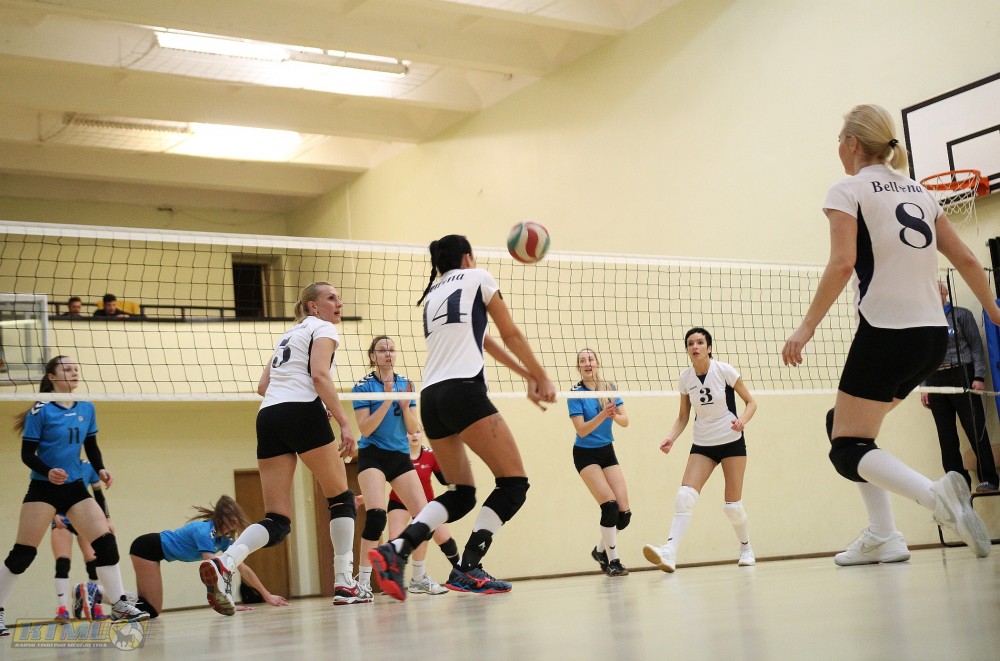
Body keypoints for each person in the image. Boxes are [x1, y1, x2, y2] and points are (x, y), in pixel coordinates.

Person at [782, 104, 996, 565]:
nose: (838, 148)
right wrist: (994, 310)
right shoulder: (920, 192)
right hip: (932, 339)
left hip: (887, 335)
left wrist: (806, 326)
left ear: (852, 143)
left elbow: (842, 263)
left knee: (846, 448)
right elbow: (966, 259)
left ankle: (938, 498)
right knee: (843, 426)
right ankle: (885, 535)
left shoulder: (847, 190)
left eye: (840, 140)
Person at [368, 234, 557, 600]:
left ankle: (396, 550)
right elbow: (510, 333)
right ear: (468, 258)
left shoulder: (433, 294)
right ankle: (468, 567)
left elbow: (485, 340)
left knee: (462, 494)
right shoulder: (478, 277)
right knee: (514, 483)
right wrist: (541, 375)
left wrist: (526, 375)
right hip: (464, 392)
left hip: (431, 398)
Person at [198, 282, 366, 616]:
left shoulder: (287, 336)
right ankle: (345, 583)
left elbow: (264, 386)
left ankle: (227, 561)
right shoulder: (324, 328)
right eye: (331, 297)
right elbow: (319, 376)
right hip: (302, 410)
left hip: (269, 416)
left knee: (277, 519)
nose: (339, 302)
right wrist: (345, 422)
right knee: (341, 499)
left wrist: (314, 404)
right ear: (313, 306)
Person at [0, 355, 148, 637]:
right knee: (22, 555)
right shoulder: (40, 410)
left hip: (75, 487)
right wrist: (48, 471)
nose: (74, 372)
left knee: (105, 542)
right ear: (52, 377)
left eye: (76, 368)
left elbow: (91, 445)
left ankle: (118, 605)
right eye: (67, 369)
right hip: (43, 488)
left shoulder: (87, 407)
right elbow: (27, 454)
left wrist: (100, 468)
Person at [643, 328, 758, 573]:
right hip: (703, 443)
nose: (695, 347)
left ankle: (746, 547)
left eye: (700, 342)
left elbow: (751, 402)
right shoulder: (686, 379)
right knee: (684, 496)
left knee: (732, 507)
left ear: (709, 347)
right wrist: (671, 438)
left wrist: (743, 420)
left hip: (731, 440)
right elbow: (683, 416)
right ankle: (669, 552)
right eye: (690, 343)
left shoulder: (724, 370)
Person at [352, 335, 447, 596]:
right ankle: (363, 583)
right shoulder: (362, 386)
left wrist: (404, 407)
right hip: (372, 454)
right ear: (373, 356)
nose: (388, 354)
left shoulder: (406, 384)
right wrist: (387, 399)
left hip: (399, 456)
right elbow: (365, 428)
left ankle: (418, 577)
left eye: (392, 350)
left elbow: (414, 428)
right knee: (376, 516)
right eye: (382, 350)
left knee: (425, 518)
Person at [130, 496, 289, 618]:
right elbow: (215, 571)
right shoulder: (204, 531)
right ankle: (118, 598)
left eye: (236, 516)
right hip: (146, 548)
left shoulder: (224, 540)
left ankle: (123, 599)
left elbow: (243, 568)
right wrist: (229, 603)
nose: (235, 520)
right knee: (152, 610)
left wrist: (267, 595)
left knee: (152, 610)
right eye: (230, 516)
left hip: (154, 553)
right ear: (220, 517)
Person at [920, 282, 999, 493]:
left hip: (962, 373)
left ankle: (989, 478)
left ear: (944, 293)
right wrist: (924, 386)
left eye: (935, 291)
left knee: (975, 428)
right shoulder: (923, 321)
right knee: (946, 437)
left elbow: (976, 347)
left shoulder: (961, 315)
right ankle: (957, 486)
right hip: (935, 379)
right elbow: (922, 356)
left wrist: (979, 376)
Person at [568, 348, 631, 577]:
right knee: (610, 506)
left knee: (624, 514)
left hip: (606, 450)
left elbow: (625, 421)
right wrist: (604, 414)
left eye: (591, 359)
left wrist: (614, 415)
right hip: (585, 454)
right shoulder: (575, 394)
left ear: (597, 363)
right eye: (583, 361)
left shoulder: (609, 389)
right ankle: (614, 561)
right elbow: (582, 430)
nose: (587, 363)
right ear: (579, 367)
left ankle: (599, 550)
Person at [385, 429, 461, 576]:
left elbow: (445, 480)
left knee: (444, 538)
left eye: (418, 431)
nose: (414, 435)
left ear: (422, 434)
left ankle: (461, 573)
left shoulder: (430, 454)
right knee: (394, 539)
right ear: (402, 435)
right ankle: (390, 578)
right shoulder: (397, 455)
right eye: (410, 432)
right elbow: (382, 477)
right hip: (400, 501)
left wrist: (457, 471)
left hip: (425, 503)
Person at [49, 460, 108, 621]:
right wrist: (53, 513)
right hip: (62, 519)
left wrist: (107, 519)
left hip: (83, 518)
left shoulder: (90, 467)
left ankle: (96, 606)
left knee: (93, 563)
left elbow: (99, 496)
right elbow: (45, 492)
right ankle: (62, 610)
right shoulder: (56, 464)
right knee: (62, 563)